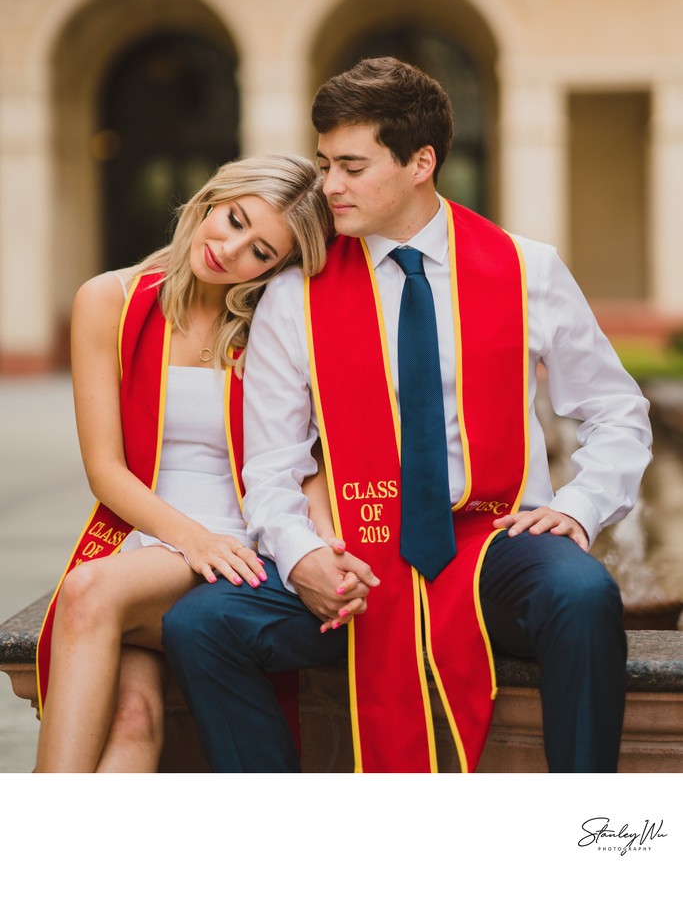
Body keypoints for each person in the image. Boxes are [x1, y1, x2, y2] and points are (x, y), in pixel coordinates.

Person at [163, 57, 653, 774]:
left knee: (581, 594)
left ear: (420, 161)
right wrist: (303, 557)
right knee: (201, 626)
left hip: (492, 541)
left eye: (352, 167)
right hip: (356, 551)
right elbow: (269, 462)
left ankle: (587, 839)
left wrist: (578, 509)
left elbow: (615, 409)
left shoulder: (526, 269)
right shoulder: (297, 292)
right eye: (326, 162)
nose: (328, 186)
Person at [33, 153, 349, 773]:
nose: (231, 251)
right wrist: (188, 538)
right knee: (133, 721)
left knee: (89, 590)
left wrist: (322, 543)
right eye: (233, 220)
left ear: (278, 269)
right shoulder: (109, 302)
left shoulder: (275, 326)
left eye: (260, 252)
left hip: (238, 541)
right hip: (144, 531)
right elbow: (105, 469)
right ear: (210, 199)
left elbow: (307, 458)